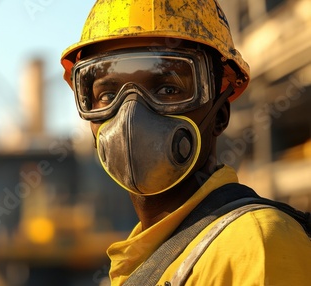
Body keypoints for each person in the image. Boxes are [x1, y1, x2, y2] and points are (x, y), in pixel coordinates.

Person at [60, 0, 311, 285]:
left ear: (219, 115)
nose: (130, 114)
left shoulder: (259, 245)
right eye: (107, 95)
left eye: (168, 88)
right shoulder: (143, 257)